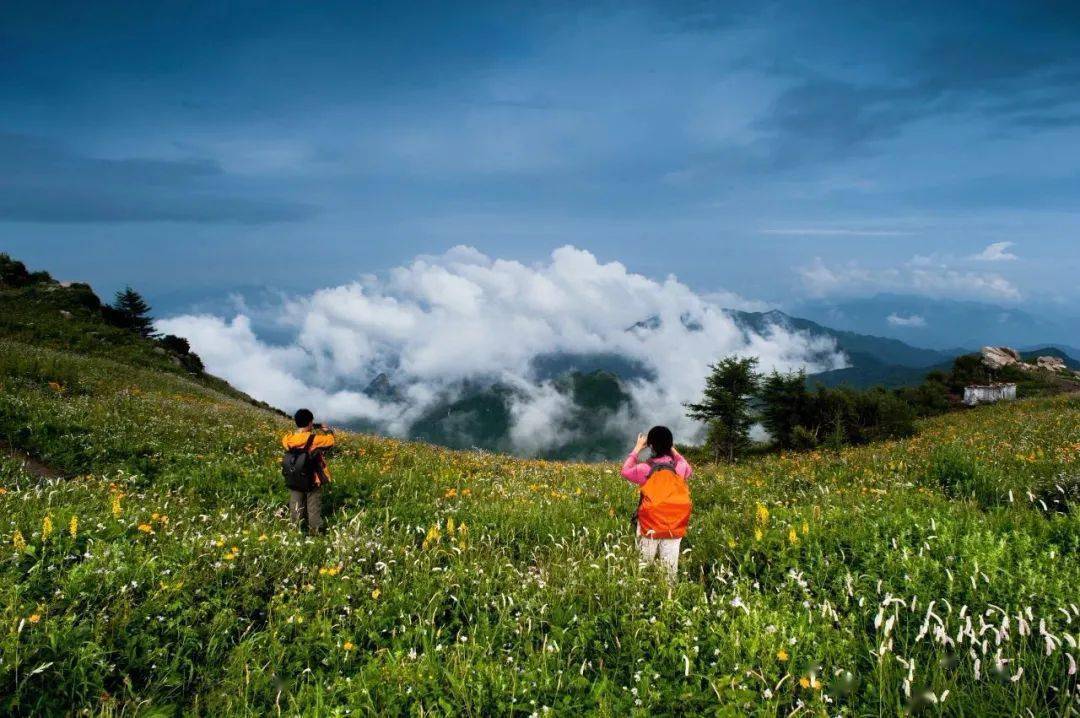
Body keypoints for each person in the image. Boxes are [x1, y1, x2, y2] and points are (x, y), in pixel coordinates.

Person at [621, 426, 692, 580]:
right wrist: (672, 449)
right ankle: (669, 597)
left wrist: (638, 447)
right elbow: (688, 467)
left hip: (649, 525)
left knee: (642, 567)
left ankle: (640, 593)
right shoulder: (679, 468)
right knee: (669, 573)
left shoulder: (645, 469)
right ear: (670, 445)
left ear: (651, 446)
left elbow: (625, 471)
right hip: (674, 525)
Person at [281, 408, 335, 535]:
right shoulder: (314, 439)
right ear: (310, 423)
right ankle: (315, 531)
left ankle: (295, 528)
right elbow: (331, 442)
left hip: (295, 475)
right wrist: (327, 431)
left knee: (295, 503)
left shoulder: (288, 438)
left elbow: (295, 441)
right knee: (313, 505)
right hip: (313, 477)